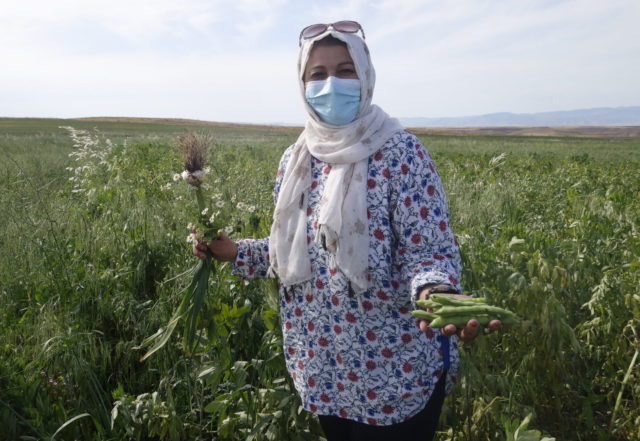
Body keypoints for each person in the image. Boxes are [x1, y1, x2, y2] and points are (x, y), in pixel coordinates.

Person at [194, 20, 501, 441]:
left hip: (392, 376)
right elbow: (297, 251)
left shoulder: (401, 153)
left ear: (366, 75)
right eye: (317, 74)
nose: (331, 84)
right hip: (322, 372)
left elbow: (426, 251)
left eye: (345, 70)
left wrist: (437, 293)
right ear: (302, 84)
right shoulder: (296, 159)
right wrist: (234, 252)